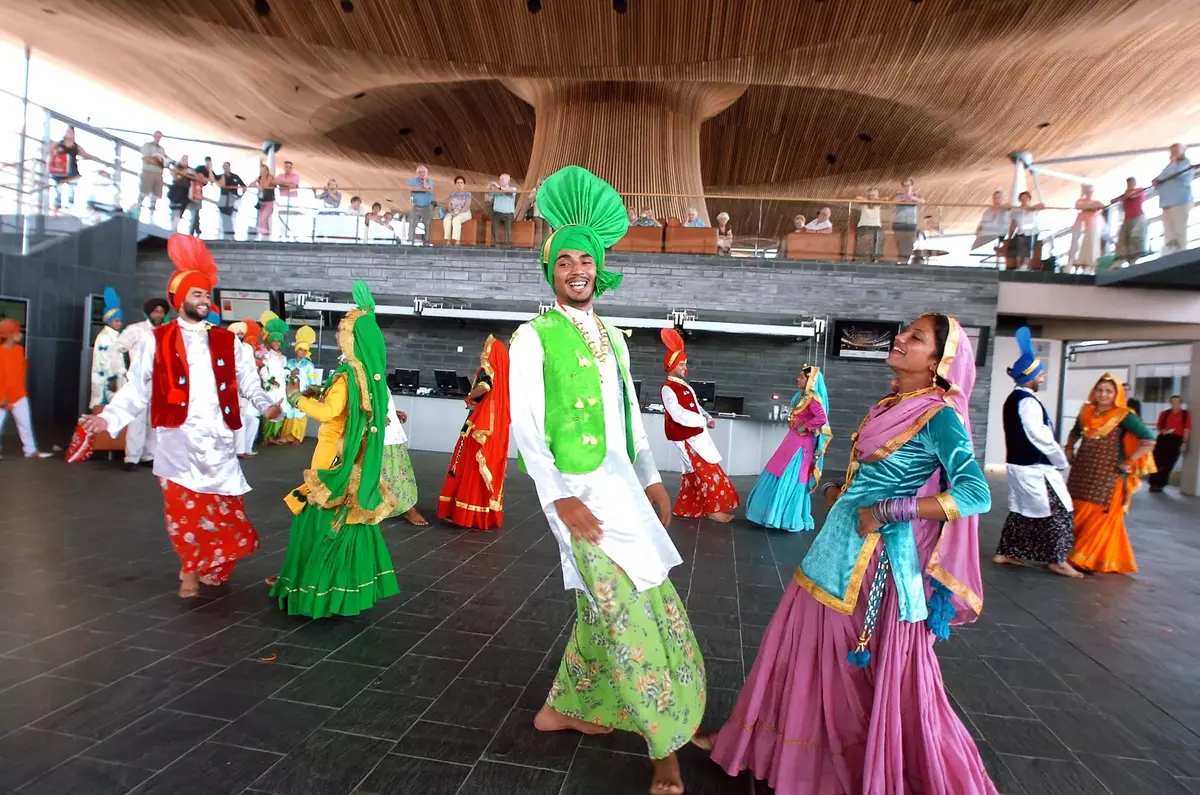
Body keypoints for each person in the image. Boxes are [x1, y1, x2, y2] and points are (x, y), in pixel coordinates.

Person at [700, 313, 996, 795]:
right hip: (838, 545)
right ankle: (775, 748)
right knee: (800, 647)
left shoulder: (940, 414)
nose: (900, 339)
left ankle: (853, 764)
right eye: (906, 333)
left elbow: (975, 494)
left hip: (876, 568)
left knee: (844, 663)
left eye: (915, 338)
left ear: (939, 361)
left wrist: (891, 509)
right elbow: (880, 474)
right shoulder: (891, 404)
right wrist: (846, 490)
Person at [509, 166, 705, 795]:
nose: (576, 270)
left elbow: (630, 422)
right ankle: (663, 743)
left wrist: (651, 479)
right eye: (563, 261)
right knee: (629, 616)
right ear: (550, 271)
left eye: (584, 260)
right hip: (579, 498)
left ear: (598, 267)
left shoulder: (616, 338)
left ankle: (565, 709)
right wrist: (559, 497)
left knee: (645, 604)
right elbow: (527, 431)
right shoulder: (532, 338)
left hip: (624, 491)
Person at [78, 235, 282, 598]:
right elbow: (137, 388)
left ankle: (211, 564)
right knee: (184, 514)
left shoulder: (227, 341)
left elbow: (248, 380)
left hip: (218, 444)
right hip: (176, 444)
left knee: (224, 514)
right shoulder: (157, 340)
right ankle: (189, 569)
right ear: (179, 300)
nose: (205, 300)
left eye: (207, 294)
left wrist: (266, 404)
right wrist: (107, 419)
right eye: (197, 295)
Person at [269, 281, 401, 618]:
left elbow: (330, 413)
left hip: (330, 454)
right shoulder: (368, 377)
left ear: (355, 340)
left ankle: (314, 584)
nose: (340, 335)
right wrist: (318, 390)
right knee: (343, 518)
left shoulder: (346, 377)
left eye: (345, 330)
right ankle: (341, 586)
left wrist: (297, 398)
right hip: (350, 454)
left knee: (320, 516)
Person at [992, 328, 1081, 578]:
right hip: (1034, 467)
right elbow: (1040, 436)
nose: (1041, 378)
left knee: (1021, 510)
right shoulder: (1027, 402)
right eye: (1039, 375)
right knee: (1058, 511)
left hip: (1021, 466)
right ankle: (1057, 559)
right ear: (1029, 377)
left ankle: (1006, 552)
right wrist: (1060, 460)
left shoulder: (1016, 398)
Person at [1064, 375, 1156, 574]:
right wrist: (1069, 448)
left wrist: (1130, 461)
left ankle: (1082, 558)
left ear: (1117, 394)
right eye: (1100, 390)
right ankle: (1074, 554)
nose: (1103, 394)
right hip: (1082, 472)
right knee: (1075, 510)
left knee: (1100, 516)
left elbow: (1149, 440)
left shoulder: (1124, 415)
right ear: (1094, 392)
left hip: (1109, 476)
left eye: (1108, 391)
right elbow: (1075, 432)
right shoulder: (1086, 411)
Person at [659, 329, 739, 524]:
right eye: (682, 363)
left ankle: (687, 509)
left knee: (694, 473)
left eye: (685, 363)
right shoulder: (668, 388)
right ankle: (713, 510)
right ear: (671, 365)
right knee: (706, 472)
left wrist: (707, 417)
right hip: (686, 437)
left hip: (695, 435)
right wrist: (702, 421)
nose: (685, 366)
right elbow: (678, 414)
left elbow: (696, 406)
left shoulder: (684, 386)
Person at [744, 365, 831, 532]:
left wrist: (805, 427)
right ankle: (766, 513)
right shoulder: (801, 396)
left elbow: (821, 418)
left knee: (792, 475)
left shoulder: (813, 399)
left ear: (810, 380)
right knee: (776, 469)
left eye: (801, 377)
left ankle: (785, 518)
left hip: (802, 444)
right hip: (791, 440)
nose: (798, 379)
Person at [438, 335, 511, 530]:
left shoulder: (490, 372)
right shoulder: (504, 375)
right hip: (489, 425)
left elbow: (485, 386)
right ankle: (479, 513)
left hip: (480, 424)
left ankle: (467, 513)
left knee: (470, 464)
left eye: (484, 350)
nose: (482, 354)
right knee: (480, 466)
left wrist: (470, 396)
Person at [117, 297, 170, 470]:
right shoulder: (135, 330)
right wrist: (122, 372)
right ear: (149, 312)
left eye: (162, 311)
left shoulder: (167, 332)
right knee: (137, 420)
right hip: (138, 381)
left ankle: (150, 455)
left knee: (154, 421)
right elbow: (116, 349)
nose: (159, 314)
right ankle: (132, 457)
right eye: (156, 311)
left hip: (160, 382)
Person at [0, 319, 54, 459]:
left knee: (25, 424)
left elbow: (21, 371)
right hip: (3, 397)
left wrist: (20, 390)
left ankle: (30, 451)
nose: (21, 334)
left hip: (19, 395)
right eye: (18, 331)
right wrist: (2, 397)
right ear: (11, 334)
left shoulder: (19, 350)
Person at [380, 402, 428, 525]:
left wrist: (392, 412)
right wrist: (375, 412)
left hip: (388, 431)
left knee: (397, 472)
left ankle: (406, 508)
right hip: (375, 429)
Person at [228, 320, 263, 459]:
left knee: (247, 419)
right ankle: (238, 450)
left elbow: (250, 369)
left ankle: (243, 449)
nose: (240, 335)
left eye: (242, 333)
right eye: (237, 333)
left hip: (246, 387)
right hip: (232, 387)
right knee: (238, 417)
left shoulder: (248, 348)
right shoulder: (226, 347)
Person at [1152, 143, 1195, 253]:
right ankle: (1170, 253)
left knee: (1179, 229)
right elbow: (1160, 178)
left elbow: (1174, 174)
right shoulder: (1171, 165)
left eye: (1176, 151)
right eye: (1172, 151)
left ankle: (1181, 252)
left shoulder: (1185, 164)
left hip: (1179, 202)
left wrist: (1173, 163)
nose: (1173, 154)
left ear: (1183, 151)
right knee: (1169, 231)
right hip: (1167, 202)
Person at [279, 326, 317, 444]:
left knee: (300, 413)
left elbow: (313, 381)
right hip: (290, 392)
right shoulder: (289, 363)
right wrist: (291, 374)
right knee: (290, 413)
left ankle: (297, 437)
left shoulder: (309, 365)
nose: (303, 352)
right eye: (301, 349)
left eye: (305, 350)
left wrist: (311, 392)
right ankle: (286, 436)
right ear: (296, 350)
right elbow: (283, 376)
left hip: (303, 393)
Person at [90, 288, 126, 410]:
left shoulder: (115, 336)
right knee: (103, 411)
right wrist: (112, 378)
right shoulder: (104, 337)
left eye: (120, 321)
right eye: (116, 320)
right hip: (106, 382)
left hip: (115, 380)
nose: (119, 323)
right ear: (109, 321)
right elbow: (105, 360)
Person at [1149, 395, 1191, 492]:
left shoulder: (1185, 414)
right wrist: (1163, 431)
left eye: (1177, 402)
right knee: (1157, 461)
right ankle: (1153, 483)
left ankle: (1161, 484)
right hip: (1164, 438)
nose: (1175, 404)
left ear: (1180, 403)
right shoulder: (1165, 413)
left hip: (1176, 440)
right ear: (1170, 403)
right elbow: (1159, 426)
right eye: (1173, 402)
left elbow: (1187, 429)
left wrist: (1184, 443)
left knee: (1169, 462)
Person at [258, 315, 289, 444]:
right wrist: (270, 380)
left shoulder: (283, 358)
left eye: (278, 341)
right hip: (270, 386)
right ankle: (266, 436)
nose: (276, 343)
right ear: (270, 342)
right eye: (274, 341)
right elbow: (263, 370)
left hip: (281, 386)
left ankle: (274, 436)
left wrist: (290, 375)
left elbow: (286, 370)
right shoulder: (266, 355)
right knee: (270, 408)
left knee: (280, 409)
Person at [49, 126, 93, 213]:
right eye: (67, 132)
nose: (69, 134)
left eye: (71, 132)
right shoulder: (59, 144)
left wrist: (93, 157)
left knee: (72, 188)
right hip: (60, 169)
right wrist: (57, 151)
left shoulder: (75, 146)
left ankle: (69, 206)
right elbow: (50, 151)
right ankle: (56, 209)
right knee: (58, 189)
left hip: (72, 169)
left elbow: (85, 154)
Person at [1068, 184, 1105, 273]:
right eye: (1088, 192)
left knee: (1091, 244)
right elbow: (1078, 206)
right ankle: (1079, 262)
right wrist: (1090, 207)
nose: (1089, 193)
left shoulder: (1095, 202)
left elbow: (1102, 206)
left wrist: (1092, 207)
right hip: (1082, 225)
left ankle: (1090, 263)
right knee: (1081, 243)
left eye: (1090, 192)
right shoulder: (1081, 201)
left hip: (1092, 226)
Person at [134, 130, 169, 220]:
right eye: (157, 136)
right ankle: (137, 213)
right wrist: (158, 160)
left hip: (158, 174)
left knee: (155, 196)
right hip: (148, 172)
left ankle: (151, 216)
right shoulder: (147, 145)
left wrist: (158, 160)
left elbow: (165, 161)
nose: (158, 138)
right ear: (153, 136)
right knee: (143, 192)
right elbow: (147, 158)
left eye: (160, 137)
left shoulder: (162, 149)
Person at [1113, 177, 1147, 265]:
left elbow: (1132, 195)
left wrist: (1124, 196)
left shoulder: (1139, 190)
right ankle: (1126, 259)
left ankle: (1134, 259)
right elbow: (1115, 200)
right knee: (1125, 238)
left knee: (1135, 237)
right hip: (1127, 218)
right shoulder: (1125, 194)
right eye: (1128, 183)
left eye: (1131, 183)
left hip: (1137, 216)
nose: (1130, 185)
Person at [1008, 191, 1045, 271]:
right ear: (1020, 199)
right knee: (1018, 242)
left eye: (1026, 198)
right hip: (1021, 232)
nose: (1024, 199)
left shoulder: (1033, 209)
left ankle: (1025, 265)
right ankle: (1018, 265)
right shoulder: (1016, 210)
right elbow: (1013, 225)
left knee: (1028, 243)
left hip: (1032, 232)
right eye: (1022, 198)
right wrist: (1009, 237)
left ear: (1029, 199)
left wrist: (1032, 207)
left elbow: (1042, 206)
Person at [892, 177, 924, 264]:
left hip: (911, 223)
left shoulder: (916, 196)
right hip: (899, 222)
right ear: (902, 186)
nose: (907, 187)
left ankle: (905, 261)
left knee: (910, 243)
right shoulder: (899, 195)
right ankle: (901, 261)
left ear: (912, 186)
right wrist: (904, 199)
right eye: (905, 185)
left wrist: (912, 198)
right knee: (900, 242)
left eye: (908, 185)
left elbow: (922, 201)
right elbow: (894, 202)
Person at [216, 162, 246, 240]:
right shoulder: (221, 176)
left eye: (227, 166)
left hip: (232, 198)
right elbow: (213, 180)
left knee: (230, 215)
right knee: (224, 216)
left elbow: (243, 186)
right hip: (223, 197)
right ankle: (226, 233)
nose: (226, 168)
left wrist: (240, 195)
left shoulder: (235, 176)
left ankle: (230, 233)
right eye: (225, 166)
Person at [407, 164, 435, 245]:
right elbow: (409, 187)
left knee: (428, 225)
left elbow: (428, 188)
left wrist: (424, 179)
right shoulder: (412, 180)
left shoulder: (430, 181)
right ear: (417, 173)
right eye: (420, 172)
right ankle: (410, 241)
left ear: (427, 173)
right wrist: (422, 189)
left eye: (424, 172)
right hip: (416, 207)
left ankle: (426, 243)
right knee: (412, 223)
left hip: (427, 206)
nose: (422, 173)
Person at [488, 173, 518, 247]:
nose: (500, 181)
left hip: (508, 214)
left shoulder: (513, 189)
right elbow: (487, 199)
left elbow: (509, 192)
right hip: (497, 213)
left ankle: (507, 247)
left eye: (503, 179)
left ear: (508, 181)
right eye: (500, 179)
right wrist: (488, 189)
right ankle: (497, 246)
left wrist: (499, 187)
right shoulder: (496, 190)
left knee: (508, 230)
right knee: (494, 228)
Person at [188, 157, 216, 236]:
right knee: (194, 211)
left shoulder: (210, 171)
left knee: (197, 211)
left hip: (199, 192)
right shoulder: (200, 168)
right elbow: (196, 175)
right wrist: (203, 178)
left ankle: (196, 229)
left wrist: (210, 170)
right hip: (193, 190)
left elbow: (212, 180)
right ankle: (193, 230)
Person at [443, 176, 473, 244]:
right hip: (453, 211)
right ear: (455, 184)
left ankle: (457, 241)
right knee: (446, 219)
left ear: (464, 184)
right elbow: (449, 205)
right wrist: (451, 212)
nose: (459, 184)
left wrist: (458, 213)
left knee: (456, 219)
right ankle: (448, 240)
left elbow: (467, 205)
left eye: (461, 182)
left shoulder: (468, 194)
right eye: (458, 182)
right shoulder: (452, 194)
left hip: (464, 212)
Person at [251, 163, 277, 240]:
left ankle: (262, 235)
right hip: (261, 201)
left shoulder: (270, 177)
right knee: (263, 218)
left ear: (267, 171)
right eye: (261, 170)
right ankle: (266, 236)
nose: (262, 172)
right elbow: (251, 183)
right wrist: (255, 184)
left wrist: (257, 186)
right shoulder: (259, 178)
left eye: (263, 170)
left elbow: (264, 187)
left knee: (264, 217)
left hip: (269, 201)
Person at [855, 188, 882, 261]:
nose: (871, 197)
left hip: (876, 226)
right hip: (863, 226)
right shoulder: (864, 202)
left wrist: (876, 200)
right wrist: (867, 200)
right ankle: (862, 263)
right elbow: (857, 198)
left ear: (877, 195)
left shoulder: (878, 202)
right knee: (863, 247)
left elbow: (886, 199)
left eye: (873, 195)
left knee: (875, 248)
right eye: (870, 195)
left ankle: (874, 262)